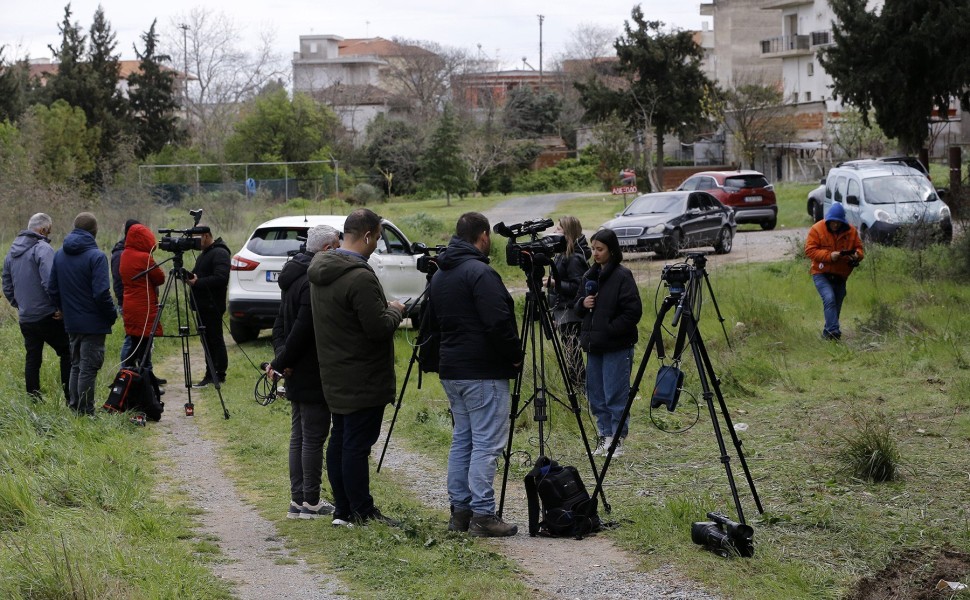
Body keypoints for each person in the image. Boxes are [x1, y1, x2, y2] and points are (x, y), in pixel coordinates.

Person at [307, 209, 406, 526]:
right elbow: (377, 328)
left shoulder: (321, 269)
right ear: (367, 236)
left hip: (335, 372)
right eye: (377, 237)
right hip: (363, 375)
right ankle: (361, 510)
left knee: (340, 441)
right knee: (355, 446)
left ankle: (343, 510)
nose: (377, 243)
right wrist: (395, 311)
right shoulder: (360, 276)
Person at [427, 211, 523, 537]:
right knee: (485, 444)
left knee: (463, 441)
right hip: (482, 370)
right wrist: (513, 357)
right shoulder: (480, 273)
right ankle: (483, 514)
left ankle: (460, 512)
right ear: (482, 236)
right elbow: (498, 322)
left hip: (452, 368)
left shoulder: (441, 273)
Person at [269, 224, 341, 520]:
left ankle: (298, 500)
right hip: (311, 367)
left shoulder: (292, 273)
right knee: (312, 437)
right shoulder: (313, 280)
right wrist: (285, 360)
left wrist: (281, 359)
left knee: (299, 435)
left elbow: (279, 326)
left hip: (293, 366)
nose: (339, 252)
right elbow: (302, 328)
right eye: (336, 246)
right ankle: (310, 500)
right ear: (325, 249)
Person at [575, 228, 643, 458]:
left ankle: (617, 439)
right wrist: (583, 304)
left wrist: (609, 330)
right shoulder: (588, 277)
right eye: (593, 249)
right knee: (596, 394)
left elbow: (633, 312)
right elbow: (576, 306)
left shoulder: (623, 276)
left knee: (615, 393)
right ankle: (605, 436)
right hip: (594, 346)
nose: (595, 253)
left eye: (600, 249)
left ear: (612, 250)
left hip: (616, 345)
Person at [49, 212, 117, 415]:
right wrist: (111, 315)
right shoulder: (97, 257)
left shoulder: (59, 254)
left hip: (71, 321)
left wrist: (63, 309)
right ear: (94, 231)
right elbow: (101, 293)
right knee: (88, 367)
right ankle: (86, 412)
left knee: (76, 365)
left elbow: (52, 289)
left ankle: (75, 408)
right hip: (93, 322)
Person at [2, 213, 71, 402]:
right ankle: (71, 398)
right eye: (49, 229)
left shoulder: (11, 252)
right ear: (42, 229)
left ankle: (34, 400)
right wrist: (60, 307)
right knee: (68, 352)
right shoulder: (42, 248)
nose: (50, 233)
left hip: (26, 317)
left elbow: (7, 286)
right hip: (48, 315)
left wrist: (20, 305)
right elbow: (50, 282)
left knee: (33, 358)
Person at [805, 202, 864, 340]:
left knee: (837, 303)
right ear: (828, 220)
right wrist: (829, 256)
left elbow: (860, 249)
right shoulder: (817, 229)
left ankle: (828, 334)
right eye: (833, 222)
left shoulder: (851, 231)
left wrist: (857, 256)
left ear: (843, 221)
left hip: (841, 275)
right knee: (829, 298)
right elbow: (810, 251)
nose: (836, 225)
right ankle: (834, 332)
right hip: (821, 273)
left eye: (838, 222)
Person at [546, 215, 590, 389]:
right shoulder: (562, 254)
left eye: (558, 229)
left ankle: (581, 388)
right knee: (570, 352)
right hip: (562, 311)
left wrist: (555, 283)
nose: (554, 232)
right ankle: (578, 387)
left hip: (571, 313)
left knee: (573, 354)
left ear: (568, 233)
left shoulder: (573, 258)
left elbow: (578, 287)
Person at [187, 226, 230, 386]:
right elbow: (201, 273)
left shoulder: (220, 253)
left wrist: (198, 282)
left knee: (215, 339)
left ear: (206, 236)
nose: (195, 243)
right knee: (206, 340)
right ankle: (210, 372)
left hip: (212, 305)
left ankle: (219, 374)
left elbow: (221, 278)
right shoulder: (205, 254)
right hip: (202, 305)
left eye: (197, 238)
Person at [119, 224, 165, 369]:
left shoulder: (124, 254)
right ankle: (144, 378)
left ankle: (129, 374)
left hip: (129, 304)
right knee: (145, 345)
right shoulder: (145, 258)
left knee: (134, 342)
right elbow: (160, 278)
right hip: (143, 307)